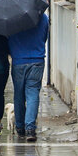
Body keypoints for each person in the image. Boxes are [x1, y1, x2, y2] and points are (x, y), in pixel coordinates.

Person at [8, 13, 49, 142]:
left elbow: (8, 39)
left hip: (18, 61)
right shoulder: (43, 17)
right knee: (32, 93)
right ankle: (30, 128)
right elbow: (44, 37)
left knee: (19, 95)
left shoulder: (12, 18)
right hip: (37, 60)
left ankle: (20, 128)